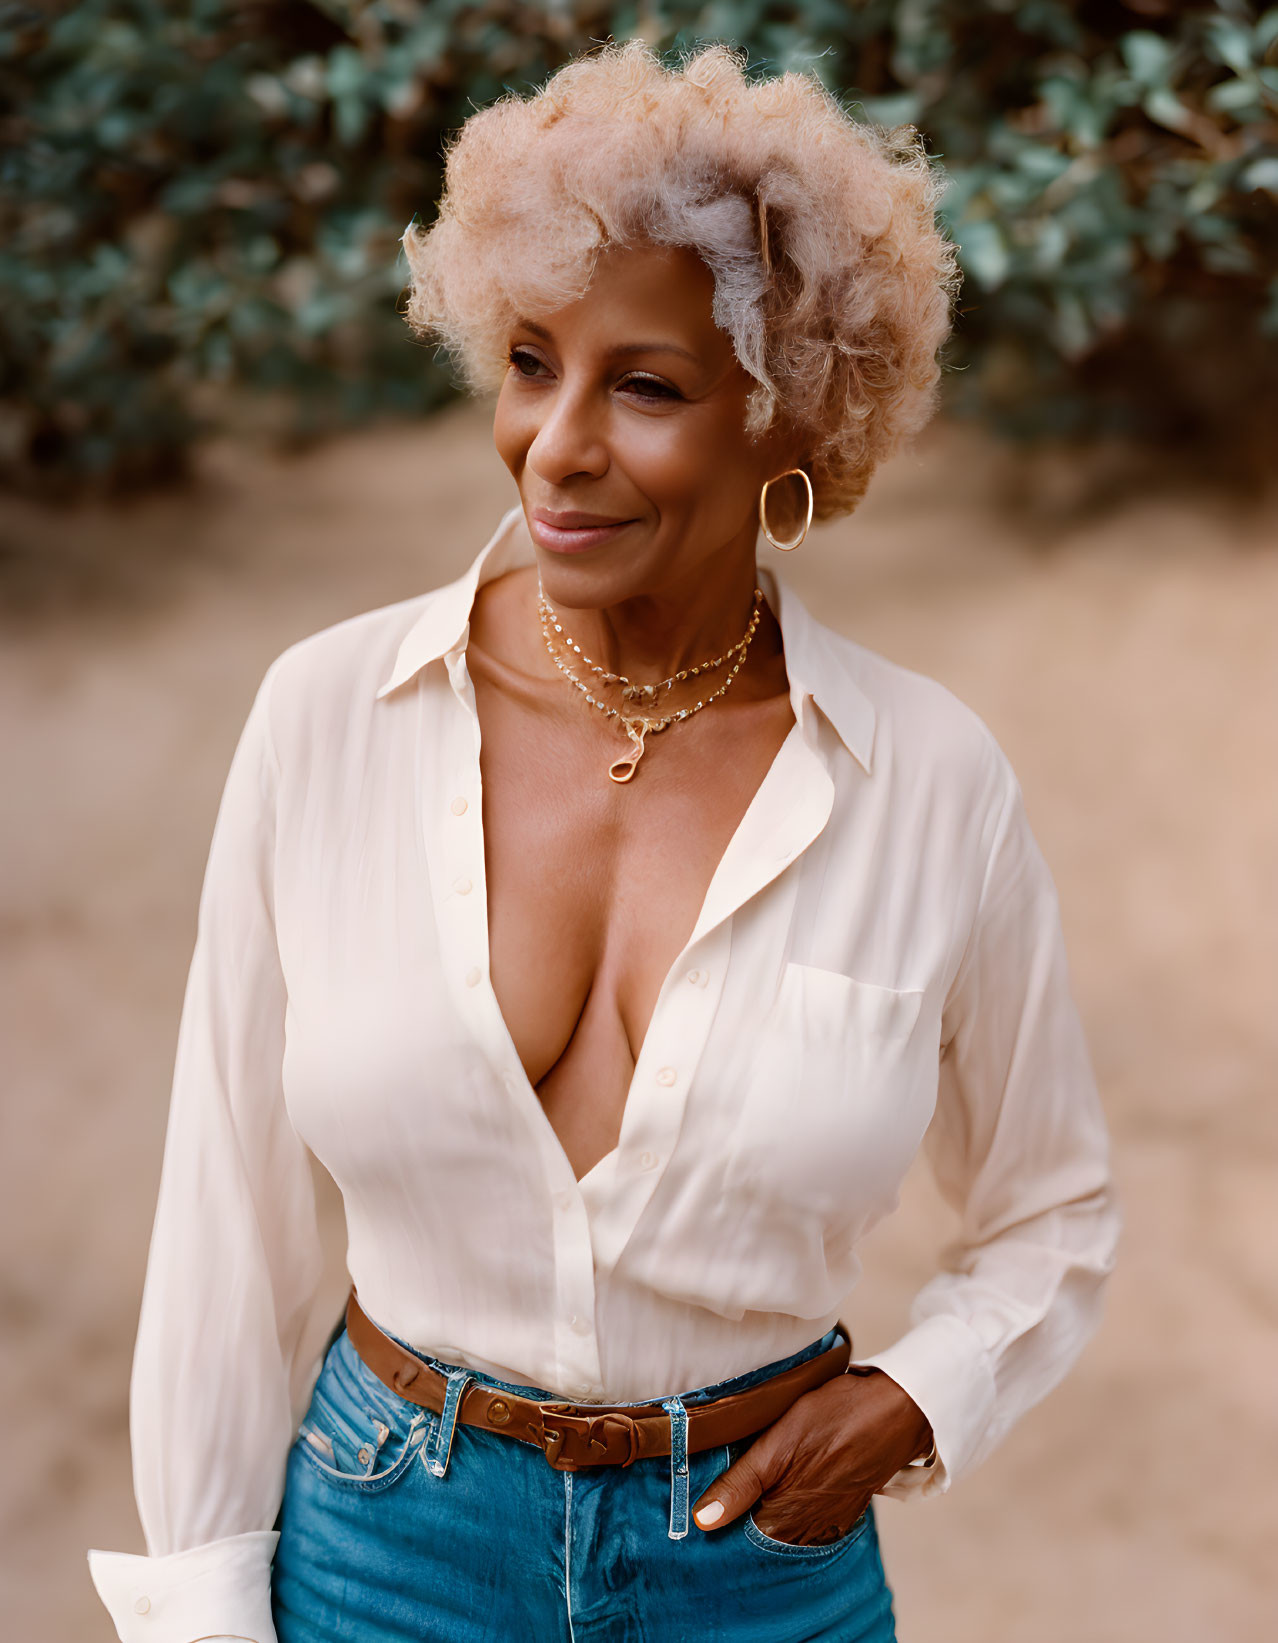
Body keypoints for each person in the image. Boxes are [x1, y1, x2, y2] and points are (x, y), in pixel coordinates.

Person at [88, 39, 1119, 1643]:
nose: (556, 445)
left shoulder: (927, 778)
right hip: (380, 1550)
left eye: (643, 384)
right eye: (525, 360)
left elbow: (1050, 1208)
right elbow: (230, 1217)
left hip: (760, 1570)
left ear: (787, 419)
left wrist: (915, 1398)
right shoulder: (329, 718)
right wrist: (210, 1611)